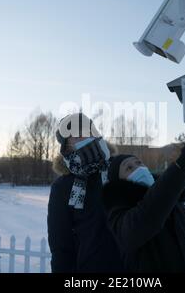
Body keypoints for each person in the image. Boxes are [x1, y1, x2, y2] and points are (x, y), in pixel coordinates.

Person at [101, 124, 185, 273]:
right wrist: (181, 165)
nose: (138, 168)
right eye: (129, 168)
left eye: (139, 163)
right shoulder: (119, 214)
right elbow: (142, 222)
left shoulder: (177, 206)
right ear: (119, 182)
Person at [47, 113, 124, 273]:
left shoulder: (121, 169)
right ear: (66, 146)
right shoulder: (63, 187)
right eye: (75, 134)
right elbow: (61, 245)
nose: (83, 136)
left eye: (86, 130)